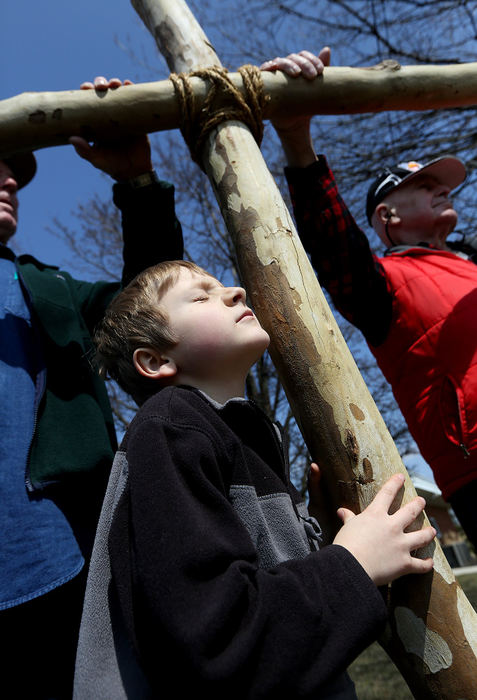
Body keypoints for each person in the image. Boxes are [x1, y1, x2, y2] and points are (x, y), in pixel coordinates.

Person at [73, 259, 435, 699]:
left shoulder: (247, 438)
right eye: (202, 295)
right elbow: (220, 641)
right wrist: (351, 565)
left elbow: (286, 618)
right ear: (155, 360)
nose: (236, 291)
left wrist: (321, 541)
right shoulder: (171, 428)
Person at [0, 77, 183, 698]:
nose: (8, 182)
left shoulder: (48, 289)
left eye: (14, 171)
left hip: (64, 565)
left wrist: (137, 184)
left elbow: (153, 308)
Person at [261, 49, 477, 549]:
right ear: (388, 217)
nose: (442, 190)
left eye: (441, 183)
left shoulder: (470, 261)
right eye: (423, 184)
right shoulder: (384, 284)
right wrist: (296, 136)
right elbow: (333, 244)